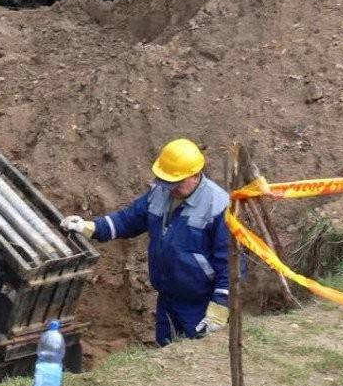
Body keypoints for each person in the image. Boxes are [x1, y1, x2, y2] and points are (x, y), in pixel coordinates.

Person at [60, 138, 232, 347]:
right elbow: (128, 220)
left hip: (199, 305)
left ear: (195, 176)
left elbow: (230, 264)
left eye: (175, 182)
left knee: (198, 365)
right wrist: (90, 228)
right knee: (167, 357)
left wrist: (219, 309)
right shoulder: (160, 192)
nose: (170, 188)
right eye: (166, 181)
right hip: (167, 299)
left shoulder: (218, 206)